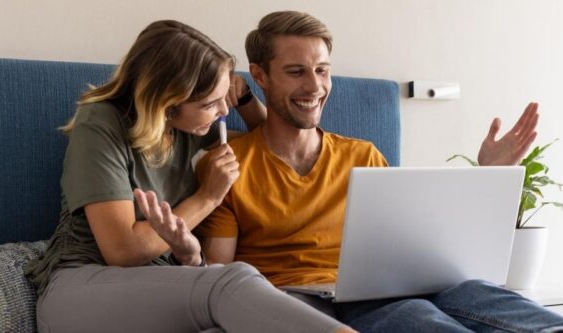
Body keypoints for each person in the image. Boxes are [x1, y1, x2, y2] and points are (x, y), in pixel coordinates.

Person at [191, 11, 563, 333]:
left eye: (322, 69)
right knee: (419, 317)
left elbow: (414, 244)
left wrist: (486, 176)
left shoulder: (362, 154)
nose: (314, 86)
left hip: (380, 289)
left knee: (478, 295)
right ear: (260, 77)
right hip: (306, 305)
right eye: (295, 72)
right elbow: (221, 279)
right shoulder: (228, 166)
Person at [23, 19, 355, 333]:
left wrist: (242, 97)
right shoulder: (100, 123)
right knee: (231, 281)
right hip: (80, 289)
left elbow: (274, 139)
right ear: (169, 104)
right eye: (212, 104)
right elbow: (122, 251)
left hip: (159, 287)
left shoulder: (188, 127)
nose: (224, 113)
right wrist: (208, 197)